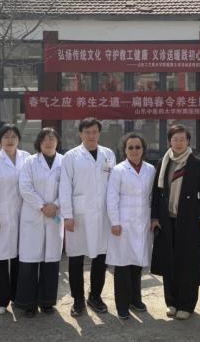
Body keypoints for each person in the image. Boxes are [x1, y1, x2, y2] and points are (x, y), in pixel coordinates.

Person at [150, 124, 200, 320]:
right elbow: (156, 192)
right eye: (175, 139)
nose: (178, 143)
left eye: (182, 139)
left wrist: (196, 216)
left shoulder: (196, 163)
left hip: (188, 222)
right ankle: (172, 302)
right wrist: (155, 216)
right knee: (169, 262)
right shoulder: (164, 162)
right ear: (170, 141)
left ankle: (186, 304)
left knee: (188, 264)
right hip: (166, 221)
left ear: (188, 141)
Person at [60, 118, 116, 316]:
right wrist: (67, 215)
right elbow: (65, 187)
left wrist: (114, 215)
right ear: (80, 134)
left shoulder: (108, 154)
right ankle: (78, 300)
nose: (91, 136)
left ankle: (95, 296)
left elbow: (113, 185)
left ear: (99, 133)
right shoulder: (71, 156)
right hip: (79, 215)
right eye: (87, 132)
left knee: (100, 257)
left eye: (94, 132)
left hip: (102, 214)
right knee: (76, 258)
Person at [106, 133, 156, 320]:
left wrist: (153, 218)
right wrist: (115, 222)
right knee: (122, 265)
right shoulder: (118, 170)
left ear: (143, 149)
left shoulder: (150, 169)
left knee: (137, 263)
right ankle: (122, 305)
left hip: (143, 222)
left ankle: (136, 299)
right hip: (123, 223)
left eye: (138, 147)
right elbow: (111, 197)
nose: (134, 151)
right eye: (130, 147)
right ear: (124, 150)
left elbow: (153, 197)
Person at [0, 123, 30, 315]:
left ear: (19, 139)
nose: (10, 140)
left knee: (21, 257)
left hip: (24, 214)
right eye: (6, 136)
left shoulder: (26, 157)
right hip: (0, 215)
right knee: (1, 259)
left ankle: (19, 297)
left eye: (13, 136)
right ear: (0, 140)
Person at [16, 127, 64, 317]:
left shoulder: (64, 162)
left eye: (52, 138)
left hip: (55, 216)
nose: (49, 142)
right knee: (29, 263)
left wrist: (56, 205)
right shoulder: (30, 162)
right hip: (34, 215)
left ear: (57, 142)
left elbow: (69, 188)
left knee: (51, 262)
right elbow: (25, 187)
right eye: (45, 139)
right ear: (39, 142)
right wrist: (42, 206)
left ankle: (47, 302)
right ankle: (27, 303)